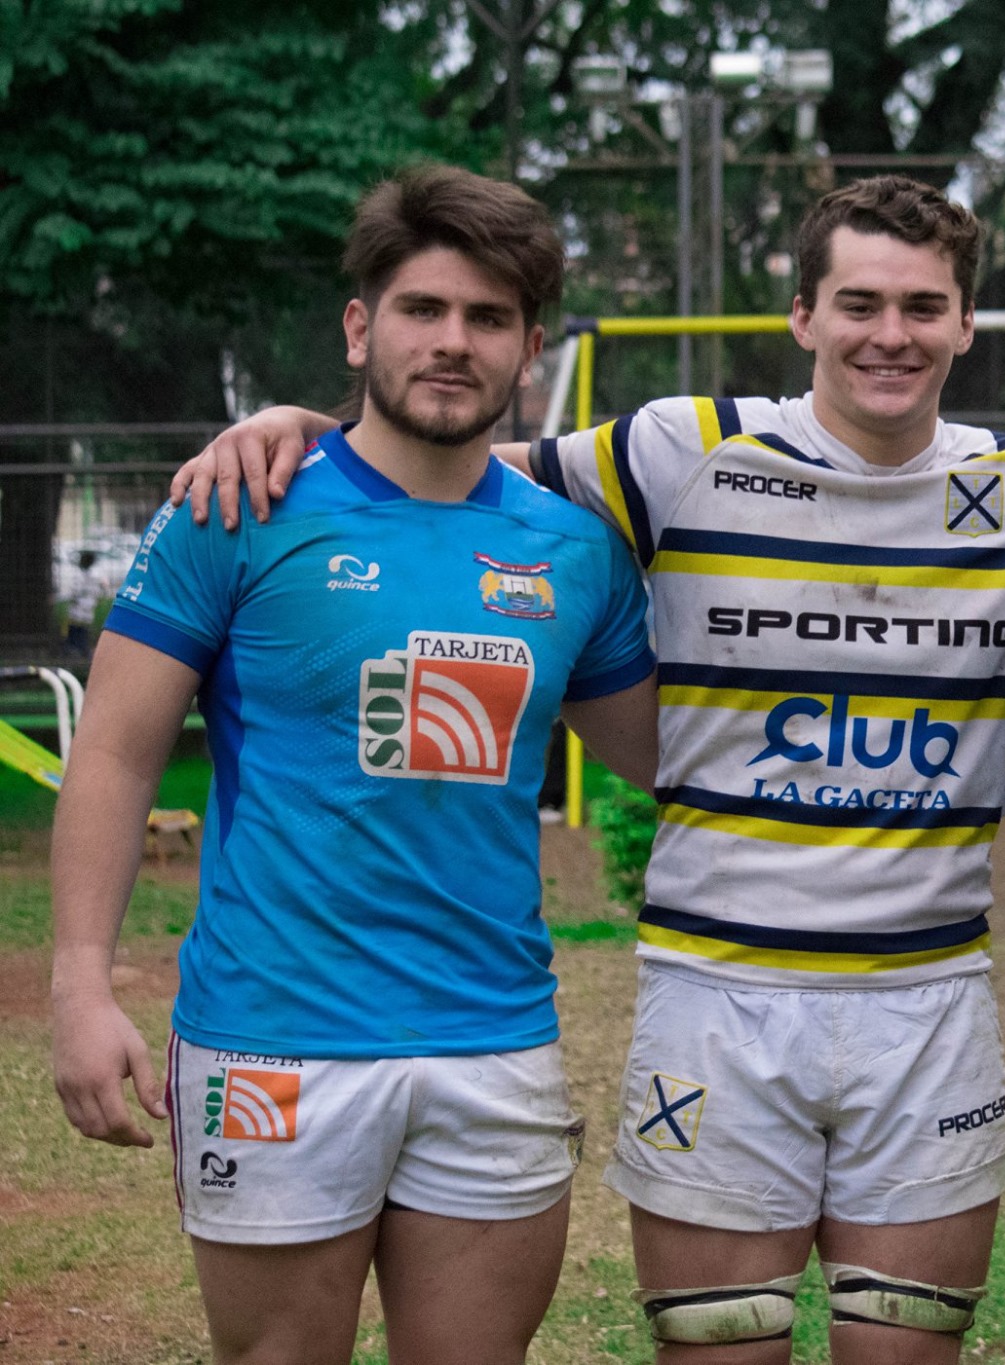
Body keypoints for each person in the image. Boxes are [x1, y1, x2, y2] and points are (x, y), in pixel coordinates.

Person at [167, 175, 1005, 1363]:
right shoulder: (673, 450)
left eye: (923, 306)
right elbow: (438, 466)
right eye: (861, 304)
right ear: (803, 315)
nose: (891, 334)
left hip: (925, 998)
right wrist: (295, 424)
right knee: (718, 1343)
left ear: (964, 323)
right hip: (713, 994)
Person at [49, 165, 658, 1365]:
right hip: (273, 1039)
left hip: (493, 1041)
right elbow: (117, 755)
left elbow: (667, 757)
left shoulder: (573, 548)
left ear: (529, 348)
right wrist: (80, 985)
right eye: (422, 309)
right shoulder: (239, 502)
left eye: (487, 320)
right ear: (358, 325)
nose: (451, 342)